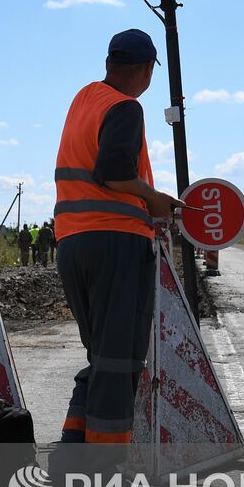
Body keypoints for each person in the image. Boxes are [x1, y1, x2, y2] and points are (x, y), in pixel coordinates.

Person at [54, 28, 179, 446]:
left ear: (110, 63)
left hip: (73, 243)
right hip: (115, 244)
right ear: (146, 69)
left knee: (103, 357)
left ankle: (74, 450)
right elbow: (114, 172)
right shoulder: (127, 108)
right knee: (120, 360)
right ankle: (102, 472)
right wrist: (155, 199)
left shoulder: (84, 98)